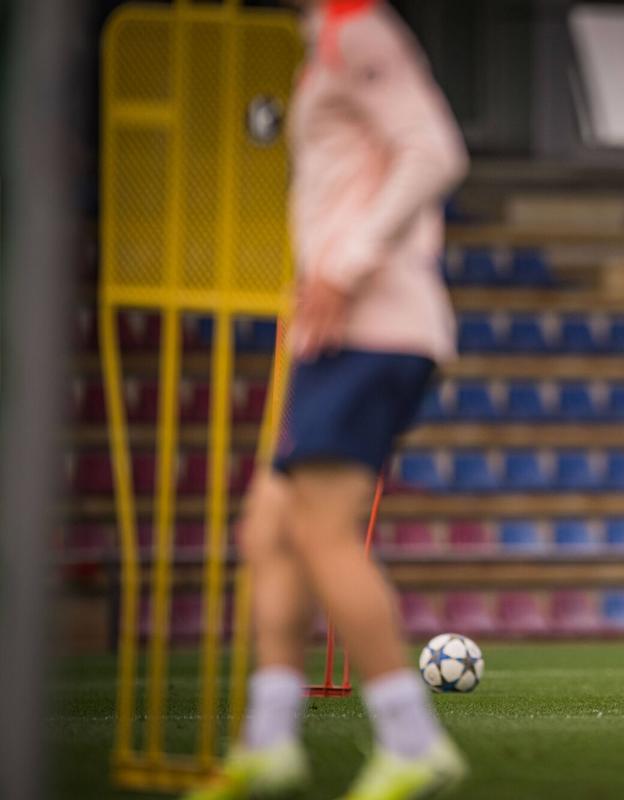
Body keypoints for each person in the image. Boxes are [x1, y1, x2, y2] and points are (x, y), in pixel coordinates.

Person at [187, 1, 468, 798]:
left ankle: (412, 742)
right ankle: (271, 741)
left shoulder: (359, 28)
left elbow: (435, 152)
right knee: (267, 532)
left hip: (374, 327)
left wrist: (346, 261)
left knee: (319, 533)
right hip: (333, 334)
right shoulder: (325, 37)